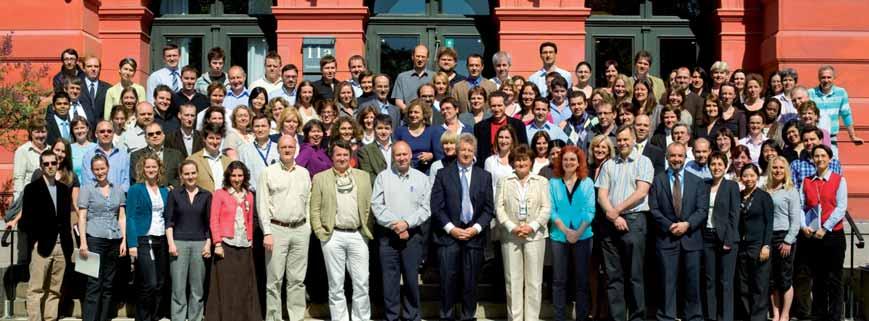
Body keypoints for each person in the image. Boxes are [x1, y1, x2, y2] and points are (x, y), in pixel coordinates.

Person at [430, 133, 494, 321]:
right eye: (463, 149)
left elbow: (489, 209)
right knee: (447, 282)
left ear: (474, 152)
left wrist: (475, 228)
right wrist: (451, 228)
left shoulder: (484, 176)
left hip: (474, 237)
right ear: (457, 151)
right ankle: (446, 316)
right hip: (448, 237)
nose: (466, 153)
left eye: (469, 150)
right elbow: (436, 206)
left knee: (470, 283)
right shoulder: (443, 174)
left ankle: (468, 316)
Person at [310, 139, 374, 321]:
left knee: (361, 282)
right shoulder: (320, 178)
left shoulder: (363, 176)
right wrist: (320, 232)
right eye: (338, 154)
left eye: (345, 154)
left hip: (357, 235)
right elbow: (314, 209)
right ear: (332, 156)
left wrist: (366, 232)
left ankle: (361, 318)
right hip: (333, 236)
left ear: (350, 157)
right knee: (336, 284)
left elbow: (369, 205)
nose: (342, 158)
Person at [596, 125, 653, 321]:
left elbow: (641, 192)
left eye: (626, 139)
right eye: (619, 140)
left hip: (634, 221)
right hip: (610, 223)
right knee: (613, 277)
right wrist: (613, 215)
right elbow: (602, 193)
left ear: (634, 140)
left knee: (635, 276)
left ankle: (637, 317)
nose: (622, 143)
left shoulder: (643, 162)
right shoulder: (609, 165)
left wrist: (616, 211)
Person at [371, 141, 431, 321]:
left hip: (412, 237)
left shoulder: (422, 178)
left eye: (405, 154)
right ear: (393, 156)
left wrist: (406, 223)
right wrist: (396, 225)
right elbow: (376, 205)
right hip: (388, 237)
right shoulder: (383, 177)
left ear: (411, 155)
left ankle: (412, 316)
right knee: (389, 281)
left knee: (412, 279)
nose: (402, 158)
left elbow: (426, 208)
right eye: (398, 155)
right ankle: (392, 317)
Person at [649, 142, 708, 321]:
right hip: (667, 238)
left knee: (692, 282)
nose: (676, 159)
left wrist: (687, 225)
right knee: (667, 282)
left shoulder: (697, 181)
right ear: (667, 157)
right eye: (673, 156)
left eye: (680, 156)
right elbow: (654, 209)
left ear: (685, 157)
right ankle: (666, 316)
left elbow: (702, 210)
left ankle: (693, 316)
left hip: (691, 238)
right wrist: (669, 226)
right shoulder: (657, 180)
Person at [256, 135, 312, 321]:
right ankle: (274, 318)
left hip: (300, 230)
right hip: (277, 230)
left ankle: (296, 317)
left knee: (297, 280)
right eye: (283, 147)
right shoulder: (267, 172)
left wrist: (308, 227)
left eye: (290, 147)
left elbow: (309, 202)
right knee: (274, 281)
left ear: (295, 148)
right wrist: (267, 232)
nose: (287, 150)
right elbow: (262, 204)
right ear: (278, 149)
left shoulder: (304, 173)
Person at [20, 150, 74, 321]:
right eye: (46, 163)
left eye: (53, 163)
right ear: (41, 166)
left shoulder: (64, 190)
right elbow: (26, 221)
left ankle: (50, 318)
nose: (50, 166)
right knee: (35, 289)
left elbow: (66, 220)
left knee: (55, 290)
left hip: (61, 247)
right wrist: (35, 241)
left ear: (58, 164)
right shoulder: (32, 189)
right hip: (42, 246)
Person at [206, 161, 263, 320]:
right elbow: (213, 220)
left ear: (244, 176)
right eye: (233, 175)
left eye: (240, 175)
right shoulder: (220, 194)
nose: (236, 179)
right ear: (228, 176)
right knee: (226, 284)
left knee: (243, 284)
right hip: (226, 244)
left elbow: (251, 220)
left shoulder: (249, 195)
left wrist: (251, 240)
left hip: (244, 244)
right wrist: (217, 243)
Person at [800, 144, 848, 321]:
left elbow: (841, 207)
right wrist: (803, 225)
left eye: (823, 156)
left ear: (829, 159)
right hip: (813, 235)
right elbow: (801, 205)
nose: (819, 159)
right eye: (816, 156)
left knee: (834, 277)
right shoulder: (807, 181)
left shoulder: (838, 180)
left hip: (833, 235)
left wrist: (825, 228)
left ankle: (835, 315)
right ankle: (819, 313)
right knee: (818, 277)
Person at [76, 154, 126, 321]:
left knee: (108, 283)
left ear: (108, 168)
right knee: (93, 283)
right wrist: (83, 242)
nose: (100, 172)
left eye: (102, 168)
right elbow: (82, 217)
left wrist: (124, 240)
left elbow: (121, 217)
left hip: (114, 239)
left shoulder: (118, 189)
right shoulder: (87, 189)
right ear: (92, 171)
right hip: (94, 238)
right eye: (96, 169)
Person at [548, 145, 595, 321]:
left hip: (583, 236)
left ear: (579, 162)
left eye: (572, 159)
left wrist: (577, 232)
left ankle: (582, 316)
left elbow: (590, 210)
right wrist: (566, 231)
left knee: (582, 281)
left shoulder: (587, 182)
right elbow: (551, 210)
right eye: (565, 159)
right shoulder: (553, 183)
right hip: (559, 236)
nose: (568, 162)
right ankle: (559, 317)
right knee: (559, 281)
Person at [164, 160, 212, 321]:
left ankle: (195, 318)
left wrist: (208, 243)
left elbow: (209, 223)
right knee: (178, 287)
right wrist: (171, 243)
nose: (190, 176)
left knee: (197, 288)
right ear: (181, 176)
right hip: (178, 242)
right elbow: (169, 221)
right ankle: (178, 318)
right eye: (186, 173)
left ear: (197, 174)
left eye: (193, 173)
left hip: (200, 243)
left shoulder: (206, 195)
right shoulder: (174, 194)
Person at [125, 153, 170, 321]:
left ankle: (154, 316)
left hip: (162, 239)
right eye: (148, 167)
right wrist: (132, 244)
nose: (151, 169)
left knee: (159, 283)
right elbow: (130, 217)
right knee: (149, 283)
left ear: (159, 169)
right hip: (144, 239)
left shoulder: (165, 190)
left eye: (154, 166)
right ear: (143, 169)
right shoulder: (136, 189)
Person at [701, 151, 740, 321]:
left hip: (726, 238)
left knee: (725, 282)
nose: (716, 168)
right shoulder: (704, 184)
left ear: (725, 167)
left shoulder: (731, 186)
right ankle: (711, 316)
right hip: (707, 237)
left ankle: (726, 317)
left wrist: (729, 239)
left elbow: (734, 214)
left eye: (719, 164)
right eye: (713, 164)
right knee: (709, 281)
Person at [734, 163, 774, 321]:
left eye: (752, 175)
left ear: (757, 177)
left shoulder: (764, 197)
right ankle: (746, 315)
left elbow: (769, 223)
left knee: (759, 285)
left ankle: (758, 317)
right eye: (745, 176)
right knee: (743, 285)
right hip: (741, 247)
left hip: (758, 246)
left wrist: (766, 245)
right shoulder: (737, 195)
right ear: (740, 178)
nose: (748, 179)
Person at [763, 156, 800, 321]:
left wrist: (788, 240)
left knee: (784, 277)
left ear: (785, 170)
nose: (777, 171)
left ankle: (785, 314)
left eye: (780, 167)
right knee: (771, 278)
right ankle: (775, 313)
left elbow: (796, 219)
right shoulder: (765, 189)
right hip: (767, 237)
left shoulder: (790, 190)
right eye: (774, 167)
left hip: (784, 236)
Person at [808, 65, 864, 158]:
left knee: (833, 166)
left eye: (829, 77)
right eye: (823, 77)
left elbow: (846, 115)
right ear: (819, 78)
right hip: (813, 138)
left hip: (831, 138)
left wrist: (852, 136)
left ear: (834, 78)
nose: (826, 80)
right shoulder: (811, 93)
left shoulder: (841, 92)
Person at [474, 91, 528, 164]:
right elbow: (479, 153)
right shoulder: (480, 127)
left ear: (505, 105)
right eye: (493, 106)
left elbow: (524, 149)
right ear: (489, 106)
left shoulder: (518, 125)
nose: (496, 109)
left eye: (499, 105)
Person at [81, 120, 131, 191]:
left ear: (113, 134)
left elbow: (126, 183)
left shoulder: (123, 156)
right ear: (96, 134)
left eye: (109, 131)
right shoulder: (88, 156)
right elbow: (87, 184)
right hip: (96, 200)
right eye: (102, 131)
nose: (106, 134)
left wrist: (114, 196)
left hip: (119, 199)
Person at [130, 122, 184, 188]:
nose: (155, 136)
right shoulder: (136, 156)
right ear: (145, 138)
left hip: (171, 194)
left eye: (158, 133)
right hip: (147, 195)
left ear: (163, 135)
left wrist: (171, 188)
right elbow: (136, 178)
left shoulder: (176, 155)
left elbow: (181, 176)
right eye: (150, 134)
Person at [395, 100, 441, 172]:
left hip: (427, 171)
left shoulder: (432, 131)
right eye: (411, 112)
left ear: (424, 114)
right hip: (406, 170)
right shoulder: (400, 131)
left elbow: (439, 155)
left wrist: (431, 155)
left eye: (416, 112)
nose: (413, 115)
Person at [239, 113, 280, 190]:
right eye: (257, 126)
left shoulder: (278, 148)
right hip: (254, 194)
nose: (260, 130)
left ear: (269, 128)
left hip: (275, 194)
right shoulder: (244, 150)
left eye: (263, 126)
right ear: (252, 128)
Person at [186, 124, 232, 192]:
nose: (215, 142)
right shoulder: (192, 160)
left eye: (218, 138)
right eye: (211, 138)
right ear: (204, 139)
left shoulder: (228, 162)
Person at [393, 45, 433, 111]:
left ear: (427, 58)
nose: (420, 59)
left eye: (423, 57)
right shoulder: (402, 77)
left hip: (430, 118)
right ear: (412, 57)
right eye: (418, 56)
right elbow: (398, 101)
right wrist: (411, 113)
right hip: (408, 118)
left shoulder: (434, 76)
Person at [357, 114, 394, 181]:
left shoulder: (400, 147)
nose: (383, 132)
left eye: (387, 128)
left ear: (391, 130)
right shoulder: (365, 151)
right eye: (380, 128)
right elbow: (368, 176)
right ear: (374, 129)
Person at [80, 56, 111, 124]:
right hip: (82, 129)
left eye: (96, 66)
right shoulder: (77, 87)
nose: (93, 69)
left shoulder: (108, 88)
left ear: (100, 69)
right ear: (83, 68)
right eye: (89, 66)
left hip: (101, 130)